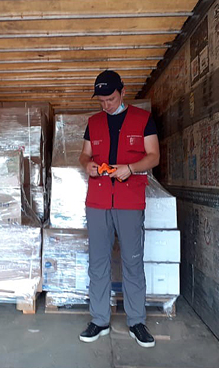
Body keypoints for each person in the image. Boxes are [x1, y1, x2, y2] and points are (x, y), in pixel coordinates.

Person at [78, 70, 160, 348]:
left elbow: (154, 156)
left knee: (132, 262)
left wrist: (131, 169)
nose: (106, 105)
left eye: (110, 99)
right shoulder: (94, 122)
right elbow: (85, 154)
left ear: (123, 92)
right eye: (101, 101)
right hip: (98, 201)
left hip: (129, 200)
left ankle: (137, 321)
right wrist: (86, 165)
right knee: (98, 263)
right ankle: (99, 320)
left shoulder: (143, 119)